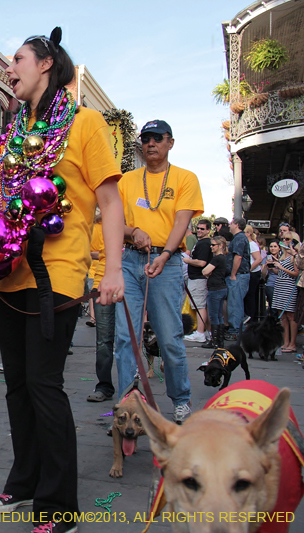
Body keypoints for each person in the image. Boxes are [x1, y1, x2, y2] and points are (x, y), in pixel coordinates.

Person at [0, 29, 124, 533]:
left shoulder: (86, 124)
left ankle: (58, 506)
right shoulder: (13, 133)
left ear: (46, 63)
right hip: (8, 275)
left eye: (17, 59)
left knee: (45, 385)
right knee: (17, 386)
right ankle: (23, 483)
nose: (10, 68)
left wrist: (111, 270)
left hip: (59, 274)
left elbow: (111, 201)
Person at [116, 118, 203, 426]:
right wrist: (133, 230)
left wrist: (166, 254)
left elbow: (182, 222)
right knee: (126, 338)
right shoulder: (127, 181)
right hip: (130, 260)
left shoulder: (185, 178)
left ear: (170, 142)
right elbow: (114, 222)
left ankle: (180, 401)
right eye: (146, 138)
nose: (150, 143)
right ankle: (126, 405)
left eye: (157, 138)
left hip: (167, 264)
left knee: (169, 338)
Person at [87, 214, 116, 402]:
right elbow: (92, 252)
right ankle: (104, 385)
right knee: (104, 339)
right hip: (102, 280)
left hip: (131, 281)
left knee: (129, 339)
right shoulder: (99, 224)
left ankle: (132, 387)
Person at [182, 219, 212, 343]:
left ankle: (200, 332)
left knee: (199, 306)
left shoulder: (204, 243)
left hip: (199, 278)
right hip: (195, 277)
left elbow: (202, 262)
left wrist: (189, 261)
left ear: (208, 230)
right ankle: (207, 331)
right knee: (200, 305)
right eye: (198, 228)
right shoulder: (201, 242)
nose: (199, 230)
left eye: (202, 229)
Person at [271, 238, 299, 352]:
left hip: (289, 287)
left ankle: (292, 343)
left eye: (287, 239)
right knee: (282, 315)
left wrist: (282, 267)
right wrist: (274, 267)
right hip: (280, 285)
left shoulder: (295, 257)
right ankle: (285, 341)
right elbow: (281, 272)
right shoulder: (284, 255)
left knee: (290, 315)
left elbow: (296, 273)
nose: (284, 241)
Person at [225, 217, 251, 340]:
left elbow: (238, 257)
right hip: (241, 274)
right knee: (235, 302)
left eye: (231, 223)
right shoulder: (239, 238)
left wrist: (233, 274)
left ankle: (236, 330)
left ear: (236, 225)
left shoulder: (240, 238)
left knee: (235, 303)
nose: (229, 226)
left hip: (239, 275)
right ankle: (237, 328)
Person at [202, 236, 230, 348]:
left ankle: (214, 341)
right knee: (218, 315)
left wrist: (207, 273)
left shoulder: (217, 258)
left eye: (213, 245)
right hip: (221, 287)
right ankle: (219, 341)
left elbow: (205, 271)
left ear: (220, 246)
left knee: (214, 315)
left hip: (215, 289)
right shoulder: (223, 258)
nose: (211, 247)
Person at [244, 225, 263, 322]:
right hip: (250, 272)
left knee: (250, 295)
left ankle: (251, 318)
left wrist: (248, 269)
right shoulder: (247, 244)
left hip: (253, 273)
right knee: (248, 296)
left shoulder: (252, 244)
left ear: (248, 233)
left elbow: (258, 259)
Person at [263, 240, 281, 311]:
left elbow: (281, 272)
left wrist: (274, 267)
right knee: (272, 305)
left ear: (279, 248)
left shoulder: (282, 258)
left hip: (281, 284)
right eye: (271, 246)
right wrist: (265, 266)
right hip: (271, 283)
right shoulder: (267, 257)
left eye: (275, 246)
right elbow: (263, 275)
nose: (273, 248)